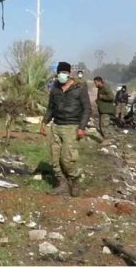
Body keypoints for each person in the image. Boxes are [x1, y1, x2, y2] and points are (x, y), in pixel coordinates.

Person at [40, 61, 91, 197]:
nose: (62, 75)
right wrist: (44, 122)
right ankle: (61, 183)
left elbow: (87, 109)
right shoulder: (55, 89)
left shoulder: (79, 88)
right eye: (60, 73)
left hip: (72, 126)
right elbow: (51, 108)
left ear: (69, 74)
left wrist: (82, 127)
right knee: (55, 158)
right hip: (56, 125)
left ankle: (74, 179)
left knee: (67, 159)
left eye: (65, 73)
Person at [93, 76, 116, 140]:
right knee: (101, 125)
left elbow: (111, 97)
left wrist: (102, 97)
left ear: (100, 81)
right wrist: (98, 100)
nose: (95, 84)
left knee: (104, 126)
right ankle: (105, 139)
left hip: (106, 110)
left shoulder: (106, 87)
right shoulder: (100, 88)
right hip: (102, 110)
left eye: (96, 83)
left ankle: (107, 140)